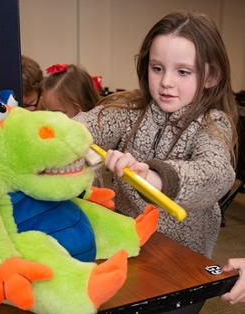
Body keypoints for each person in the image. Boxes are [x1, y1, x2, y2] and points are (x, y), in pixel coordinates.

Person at [73, 9, 239, 260]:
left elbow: (216, 174)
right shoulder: (130, 108)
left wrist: (154, 178)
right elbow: (88, 125)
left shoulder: (213, 123)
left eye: (183, 72)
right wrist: (70, 133)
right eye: (157, 68)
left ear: (212, 76)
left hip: (180, 256)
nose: (166, 82)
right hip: (128, 241)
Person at [41, 63, 104, 187]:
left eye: (59, 113)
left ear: (82, 106)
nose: (52, 119)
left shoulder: (92, 136)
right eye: (48, 111)